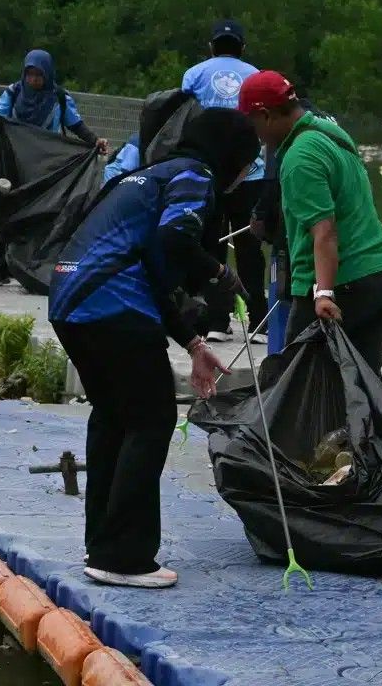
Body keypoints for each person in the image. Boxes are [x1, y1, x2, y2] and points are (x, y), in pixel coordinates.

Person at [48, 108, 259, 588]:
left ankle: (103, 545)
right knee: (151, 417)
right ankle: (125, 558)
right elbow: (175, 237)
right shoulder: (195, 175)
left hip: (69, 298)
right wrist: (220, 273)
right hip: (108, 301)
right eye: (247, 162)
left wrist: (192, 342)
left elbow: (150, 266)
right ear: (230, 156)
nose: (246, 174)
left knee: (114, 416)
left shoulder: (149, 174)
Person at [238, 70, 382, 378]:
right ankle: (367, 428)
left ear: (265, 115)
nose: (254, 133)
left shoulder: (300, 156)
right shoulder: (331, 132)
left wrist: (323, 292)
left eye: (253, 122)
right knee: (363, 387)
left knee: (293, 385)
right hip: (381, 276)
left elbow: (324, 231)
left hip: (343, 285)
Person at [0, 49, 107, 287]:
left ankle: (33, 269)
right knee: (8, 213)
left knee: (42, 218)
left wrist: (95, 141)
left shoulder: (59, 98)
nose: (33, 80)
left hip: (47, 170)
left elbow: (76, 126)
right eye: (29, 74)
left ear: (48, 74)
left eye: (38, 75)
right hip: (16, 167)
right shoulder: (13, 93)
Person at [181, 20, 268, 343]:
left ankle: (218, 320)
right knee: (250, 248)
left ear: (211, 46)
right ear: (242, 47)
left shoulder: (194, 74)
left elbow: (184, 119)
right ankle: (260, 322)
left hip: (209, 175)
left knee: (212, 247)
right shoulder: (256, 75)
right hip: (251, 172)